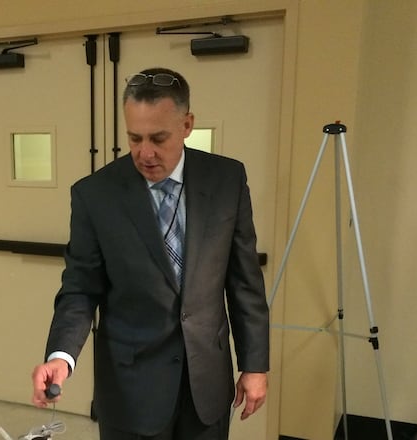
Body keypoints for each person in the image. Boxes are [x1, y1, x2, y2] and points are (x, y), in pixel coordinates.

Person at [31, 67, 269, 440]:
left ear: (187, 124)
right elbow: (80, 287)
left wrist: (255, 365)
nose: (145, 152)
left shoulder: (227, 180)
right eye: (134, 137)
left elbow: (244, 282)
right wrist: (61, 356)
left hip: (206, 384)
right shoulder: (95, 195)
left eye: (158, 138)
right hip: (130, 390)